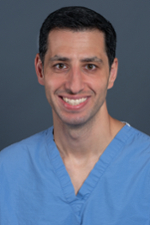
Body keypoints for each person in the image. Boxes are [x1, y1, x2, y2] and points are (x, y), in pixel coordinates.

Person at [0, 6, 150, 225]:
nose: (74, 85)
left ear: (112, 72)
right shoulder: (6, 171)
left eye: (90, 66)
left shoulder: (145, 165)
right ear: (40, 70)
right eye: (60, 65)